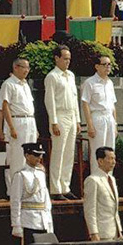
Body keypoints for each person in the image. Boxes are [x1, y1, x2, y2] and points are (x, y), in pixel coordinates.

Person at [10, 142, 53, 245]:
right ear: (27, 155)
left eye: (40, 155)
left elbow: (46, 200)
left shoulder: (41, 173)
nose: (38, 158)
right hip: (28, 221)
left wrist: (49, 222)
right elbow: (15, 202)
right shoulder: (20, 176)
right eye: (35, 155)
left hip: (42, 220)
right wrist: (16, 224)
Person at [44, 44, 80, 201]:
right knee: (58, 152)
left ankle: (65, 186)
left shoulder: (70, 75)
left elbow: (74, 99)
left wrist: (78, 120)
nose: (67, 61)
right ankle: (55, 188)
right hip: (60, 115)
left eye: (69, 59)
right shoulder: (52, 76)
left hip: (71, 115)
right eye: (64, 58)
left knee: (69, 153)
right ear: (56, 58)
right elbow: (49, 100)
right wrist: (54, 121)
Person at [0, 58, 37, 191]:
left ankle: (27, 186)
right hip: (17, 120)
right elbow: (5, 106)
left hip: (30, 120)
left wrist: (35, 127)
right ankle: (14, 189)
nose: (26, 70)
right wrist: (11, 127)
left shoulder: (25, 84)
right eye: (23, 67)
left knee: (31, 154)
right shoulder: (8, 84)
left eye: (28, 67)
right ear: (15, 67)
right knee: (17, 156)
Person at [81, 55, 118, 175]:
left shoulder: (110, 83)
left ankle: (108, 181)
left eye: (109, 64)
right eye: (104, 64)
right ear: (97, 66)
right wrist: (89, 125)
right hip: (97, 118)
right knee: (98, 152)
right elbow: (85, 103)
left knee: (110, 151)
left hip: (109, 118)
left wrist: (115, 124)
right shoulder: (90, 83)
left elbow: (113, 105)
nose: (107, 67)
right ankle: (97, 180)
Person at [83, 147, 123, 241]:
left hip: (115, 233)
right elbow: (90, 209)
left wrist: (119, 230)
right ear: (100, 161)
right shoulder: (92, 180)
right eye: (110, 158)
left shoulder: (112, 179)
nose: (113, 162)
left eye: (114, 158)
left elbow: (114, 209)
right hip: (102, 233)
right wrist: (93, 233)